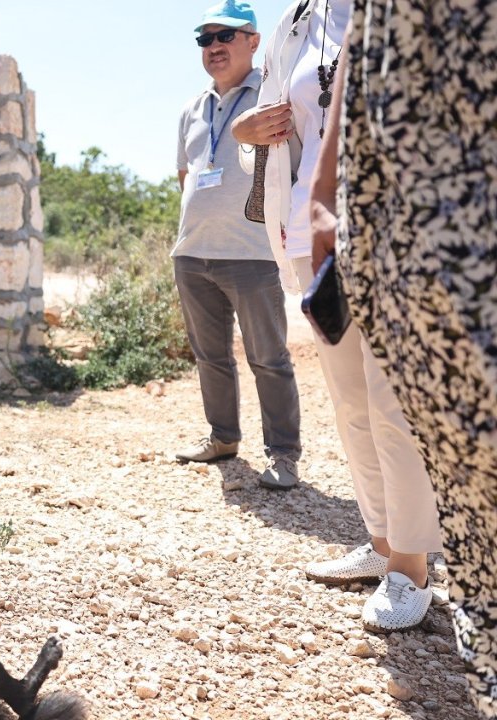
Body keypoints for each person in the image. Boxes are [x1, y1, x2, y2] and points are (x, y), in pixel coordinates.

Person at [231, 0, 443, 632]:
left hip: (393, 230)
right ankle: (382, 545)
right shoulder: (295, 22)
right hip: (308, 234)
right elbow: (273, 135)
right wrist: (248, 134)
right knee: (351, 402)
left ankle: (412, 566)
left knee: (392, 402)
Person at [310, 1, 497, 712]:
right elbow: (360, 55)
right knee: (413, 423)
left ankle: (415, 564)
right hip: (391, 215)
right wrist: (324, 193)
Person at [171, 1, 303, 490]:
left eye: (226, 36)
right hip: (192, 254)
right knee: (210, 357)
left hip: (251, 254)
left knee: (268, 358)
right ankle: (223, 437)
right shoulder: (192, 108)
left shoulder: (271, 97)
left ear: (253, 40)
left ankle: (284, 456)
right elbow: (185, 175)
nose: (214, 47)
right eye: (205, 39)